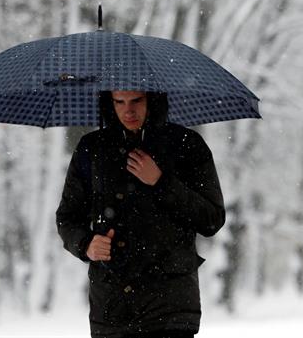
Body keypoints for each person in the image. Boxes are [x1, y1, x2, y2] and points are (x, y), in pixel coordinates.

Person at [56, 90, 225, 338]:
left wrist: (161, 182)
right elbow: (67, 218)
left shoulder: (186, 145)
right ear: (108, 103)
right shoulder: (91, 149)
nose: (128, 110)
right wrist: (86, 244)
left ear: (152, 101)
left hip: (169, 306)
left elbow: (212, 219)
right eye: (119, 102)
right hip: (111, 308)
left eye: (136, 100)